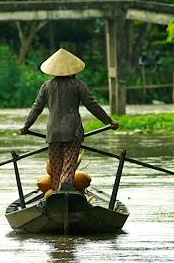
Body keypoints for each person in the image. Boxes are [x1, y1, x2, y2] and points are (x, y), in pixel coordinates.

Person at [20, 48, 119, 191]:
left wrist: (26, 126)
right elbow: (92, 106)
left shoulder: (46, 86)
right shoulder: (78, 85)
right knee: (69, 163)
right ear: (74, 70)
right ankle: (66, 183)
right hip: (73, 132)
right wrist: (109, 121)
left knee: (55, 168)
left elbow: (37, 108)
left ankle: (56, 192)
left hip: (53, 132)